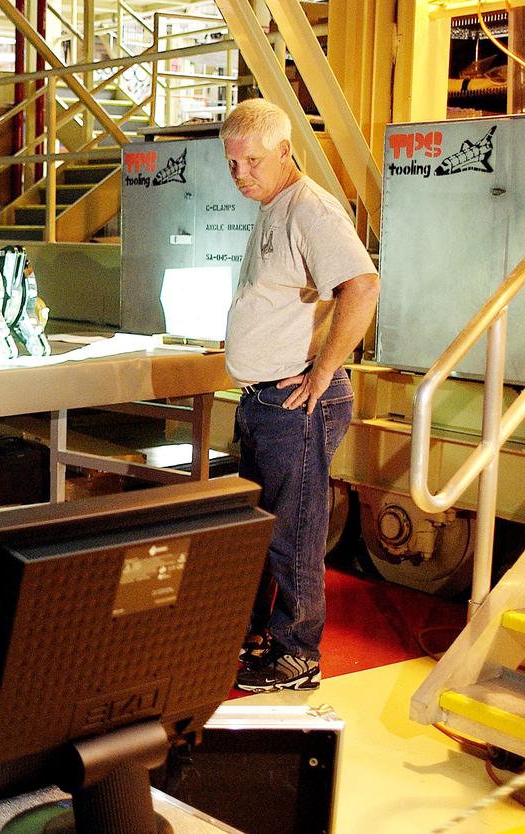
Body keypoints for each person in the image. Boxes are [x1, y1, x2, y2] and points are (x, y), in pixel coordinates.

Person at [220, 98, 380, 693]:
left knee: (295, 531)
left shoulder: (311, 209)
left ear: (286, 151)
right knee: (263, 530)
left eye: (253, 162)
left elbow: (361, 285)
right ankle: (266, 635)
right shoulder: (273, 206)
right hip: (264, 401)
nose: (242, 175)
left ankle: (297, 654)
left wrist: (319, 374)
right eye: (233, 164)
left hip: (297, 404)